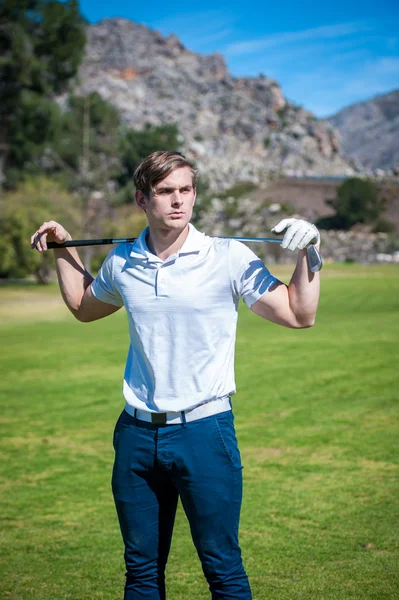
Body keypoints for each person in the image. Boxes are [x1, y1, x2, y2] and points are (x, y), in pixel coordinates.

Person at [31, 150, 320, 600]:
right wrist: (64, 247)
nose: (178, 201)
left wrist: (309, 253)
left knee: (223, 570)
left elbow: (299, 314)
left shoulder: (227, 256)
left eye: (186, 190)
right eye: (166, 191)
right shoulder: (123, 262)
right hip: (135, 435)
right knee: (141, 574)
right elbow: (84, 307)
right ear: (142, 199)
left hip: (205, 431)